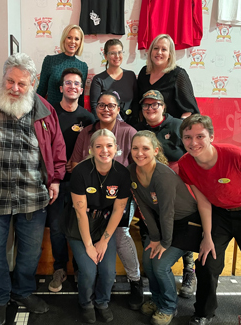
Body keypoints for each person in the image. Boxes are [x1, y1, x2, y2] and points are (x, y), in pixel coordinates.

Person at [0, 53, 66, 325]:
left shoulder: (45, 109)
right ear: (3, 77)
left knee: (30, 253)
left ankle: (22, 292)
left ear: (33, 82)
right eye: (10, 81)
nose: (15, 88)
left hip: (33, 197)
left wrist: (55, 179)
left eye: (22, 83)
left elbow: (57, 148)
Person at [71, 91, 144, 311]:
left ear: (118, 109)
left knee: (120, 233)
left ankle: (135, 281)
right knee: (89, 261)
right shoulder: (86, 133)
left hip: (117, 199)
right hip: (90, 201)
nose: (106, 109)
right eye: (102, 105)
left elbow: (139, 162)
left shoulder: (129, 132)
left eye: (111, 105)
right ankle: (88, 280)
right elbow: (74, 163)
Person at [127, 130, 199, 325]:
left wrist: (164, 243)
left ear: (156, 150)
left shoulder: (163, 175)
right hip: (163, 223)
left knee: (160, 265)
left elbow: (167, 211)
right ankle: (158, 300)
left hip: (186, 224)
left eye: (145, 148)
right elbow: (144, 207)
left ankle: (168, 307)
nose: (139, 153)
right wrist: (155, 237)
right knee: (148, 261)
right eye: (135, 148)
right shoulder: (132, 171)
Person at [178, 114, 241, 325]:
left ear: (211, 136)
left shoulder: (234, 155)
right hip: (219, 214)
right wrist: (207, 235)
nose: (193, 143)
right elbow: (203, 200)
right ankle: (203, 313)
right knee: (206, 261)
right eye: (188, 137)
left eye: (200, 136)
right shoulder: (185, 164)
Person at [134, 89, 196, 298]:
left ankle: (189, 271)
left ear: (163, 106)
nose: (150, 109)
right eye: (146, 105)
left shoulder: (178, 125)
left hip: (179, 187)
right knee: (152, 225)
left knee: (178, 225)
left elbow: (193, 154)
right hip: (151, 190)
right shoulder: (140, 129)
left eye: (155, 104)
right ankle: (152, 273)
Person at [66, 129, 131, 323]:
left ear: (116, 148)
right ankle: (86, 303)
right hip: (80, 225)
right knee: (88, 270)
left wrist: (104, 241)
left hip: (105, 224)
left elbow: (119, 210)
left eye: (109, 145)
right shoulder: (80, 171)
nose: (104, 150)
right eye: (99, 146)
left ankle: (102, 302)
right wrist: (88, 245)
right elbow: (80, 212)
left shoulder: (122, 173)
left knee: (108, 271)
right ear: (91, 149)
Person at [47, 67, 95, 292]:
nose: (72, 86)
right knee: (56, 226)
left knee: (78, 224)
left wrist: (79, 164)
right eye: (68, 83)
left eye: (77, 83)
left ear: (81, 89)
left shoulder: (87, 117)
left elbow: (95, 149)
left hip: (80, 182)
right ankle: (59, 268)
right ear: (61, 88)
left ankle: (78, 267)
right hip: (54, 181)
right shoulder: (49, 112)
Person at [137, 34, 199, 119]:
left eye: (164, 49)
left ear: (170, 54)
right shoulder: (144, 72)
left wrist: (176, 129)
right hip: (146, 128)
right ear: (151, 51)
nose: (159, 52)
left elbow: (189, 111)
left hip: (171, 128)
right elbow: (139, 104)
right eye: (156, 48)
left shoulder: (178, 74)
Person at [37, 24, 88, 108]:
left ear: (80, 42)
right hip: (51, 114)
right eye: (69, 37)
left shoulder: (83, 66)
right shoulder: (49, 61)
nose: (73, 41)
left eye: (77, 39)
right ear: (64, 39)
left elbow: (80, 97)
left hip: (73, 116)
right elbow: (41, 91)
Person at [90, 39, 139, 125]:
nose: (117, 56)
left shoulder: (130, 75)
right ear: (105, 56)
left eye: (119, 52)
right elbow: (95, 107)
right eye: (112, 53)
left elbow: (136, 101)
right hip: (107, 125)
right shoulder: (98, 79)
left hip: (129, 124)